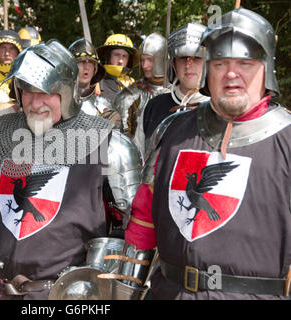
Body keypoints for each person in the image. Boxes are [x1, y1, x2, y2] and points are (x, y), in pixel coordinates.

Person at [0, 40, 143, 300]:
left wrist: (90, 282)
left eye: (47, 92)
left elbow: (133, 227)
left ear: (67, 94)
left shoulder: (108, 144)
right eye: (28, 91)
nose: (36, 102)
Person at [125, 8, 291, 300]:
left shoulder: (287, 140)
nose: (230, 73)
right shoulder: (173, 131)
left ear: (266, 68)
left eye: (245, 62)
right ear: (207, 70)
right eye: (220, 63)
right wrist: (124, 289)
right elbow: (144, 221)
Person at [142, 23, 209, 153]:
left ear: (208, 61)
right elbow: (140, 155)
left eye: (196, 58)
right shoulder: (154, 106)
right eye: (183, 58)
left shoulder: (219, 110)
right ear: (173, 63)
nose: (189, 65)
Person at [114, 33, 170, 156]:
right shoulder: (129, 96)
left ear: (161, 60)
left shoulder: (179, 93)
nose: (145, 66)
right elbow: (121, 140)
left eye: (150, 60)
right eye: (143, 60)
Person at [68, 37, 122, 129]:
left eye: (91, 62)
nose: (87, 67)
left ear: (95, 69)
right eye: (82, 62)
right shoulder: (57, 102)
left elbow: (115, 140)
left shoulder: (104, 106)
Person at [96, 34, 140, 103]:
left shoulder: (132, 84)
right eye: (116, 55)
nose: (120, 61)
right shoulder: (96, 83)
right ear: (107, 56)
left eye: (124, 56)